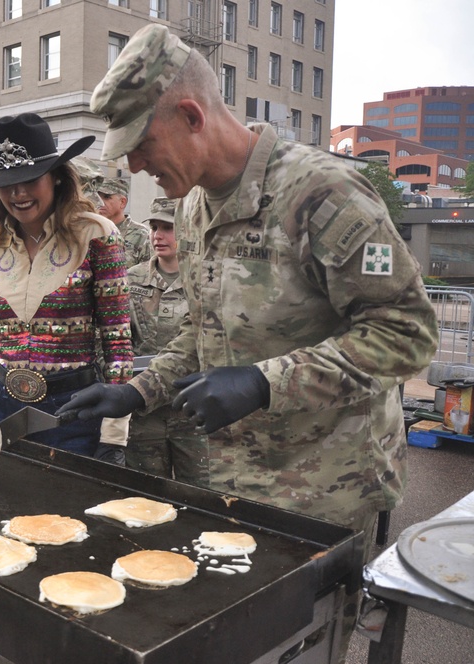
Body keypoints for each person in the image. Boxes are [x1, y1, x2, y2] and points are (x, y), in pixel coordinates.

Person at [58, 25, 438, 658]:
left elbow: (407, 332)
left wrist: (267, 381)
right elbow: (200, 334)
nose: (134, 167)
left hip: (324, 494)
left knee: (304, 647)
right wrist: (137, 389)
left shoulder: (321, 194)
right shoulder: (195, 206)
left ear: (190, 114)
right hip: (233, 480)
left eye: (141, 145)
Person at [0, 113, 132, 459]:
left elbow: (118, 339)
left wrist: (114, 434)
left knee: (65, 508)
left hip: (73, 409)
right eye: (7, 183)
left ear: (55, 178)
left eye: (30, 179)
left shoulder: (96, 235)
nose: (18, 194)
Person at [124, 197, 207, 483]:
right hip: (145, 410)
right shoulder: (132, 279)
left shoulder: (203, 279)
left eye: (168, 228)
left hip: (194, 410)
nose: (158, 235)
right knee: (144, 493)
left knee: (200, 495)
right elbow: (116, 337)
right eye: (154, 227)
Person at [96, 177, 151, 268]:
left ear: (122, 202)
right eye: (98, 197)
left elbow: (147, 272)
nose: (100, 202)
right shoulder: (89, 230)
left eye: (107, 197)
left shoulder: (142, 234)